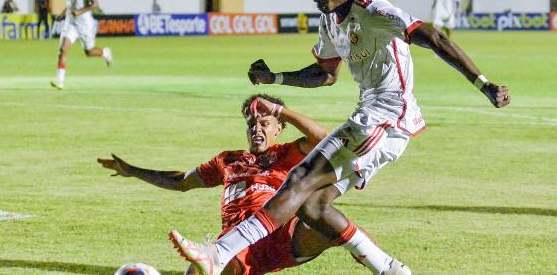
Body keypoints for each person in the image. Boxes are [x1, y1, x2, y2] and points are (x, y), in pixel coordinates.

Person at [169, 0, 511, 274]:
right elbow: (325, 74)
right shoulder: (330, 21)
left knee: (300, 178)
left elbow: (434, 37)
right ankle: (389, 268)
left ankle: (220, 253)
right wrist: (273, 76)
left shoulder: (374, 11)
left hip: (387, 118)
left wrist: (484, 84)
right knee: (312, 206)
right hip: (371, 117)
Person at [100, 94, 410, 275]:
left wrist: (280, 110)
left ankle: (383, 266)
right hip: (239, 242)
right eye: (252, 124)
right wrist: (133, 171)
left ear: (279, 128)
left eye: (264, 123)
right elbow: (181, 181)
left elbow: (325, 139)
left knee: (326, 223)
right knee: (205, 268)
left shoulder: (291, 154)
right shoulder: (227, 160)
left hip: (285, 236)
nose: (256, 129)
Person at [50, 0, 113, 90]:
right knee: (63, 49)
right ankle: (60, 81)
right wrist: (63, 14)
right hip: (71, 24)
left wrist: (80, 12)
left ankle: (105, 53)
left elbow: (95, 4)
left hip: (84, 26)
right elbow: (70, 6)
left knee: (89, 52)